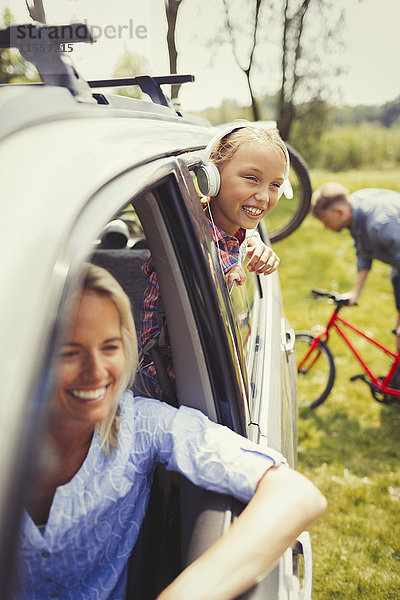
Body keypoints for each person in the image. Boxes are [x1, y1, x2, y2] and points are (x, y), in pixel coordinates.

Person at [15, 263, 326, 600]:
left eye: (109, 347)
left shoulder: (142, 425)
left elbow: (294, 493)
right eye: (69, 352)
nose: (96, 371)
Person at [139, 124, 288, 398]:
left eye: (275, 184)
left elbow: (244, 236)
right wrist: (218, 280)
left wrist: (256, 245)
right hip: (165, 388)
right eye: (251, 178)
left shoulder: (234, 230)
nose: (264, 196)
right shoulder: (191, 245)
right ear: (211, 177)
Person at [311, 183, 400, 353]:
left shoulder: (380, 224)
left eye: (326, 221)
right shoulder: (355, 207)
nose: (326, 227)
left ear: (339, 212)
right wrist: (355, 293)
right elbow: (363, 251)